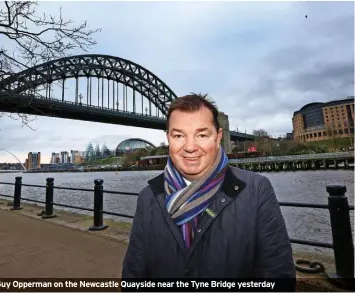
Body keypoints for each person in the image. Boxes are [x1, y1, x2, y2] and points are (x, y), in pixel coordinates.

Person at [122, 93, 295, 282]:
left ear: (218, 137)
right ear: (168, 138)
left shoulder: (256, 191)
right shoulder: (149, 197)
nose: (190, 147)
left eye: (202, 135)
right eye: (179, 135)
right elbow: (134, 277)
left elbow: (278, 278)